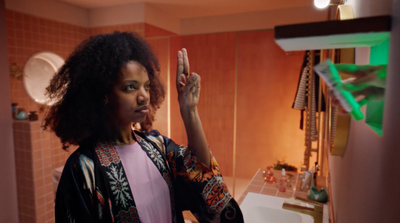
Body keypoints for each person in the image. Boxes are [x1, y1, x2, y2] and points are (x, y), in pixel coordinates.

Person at [43, 32, 244, 223]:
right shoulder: (83, 169)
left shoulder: (158, 147)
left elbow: (202, 177)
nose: (143, 96)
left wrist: (189, 111)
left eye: (146, 86)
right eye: (130, 87)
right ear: (103, 94)